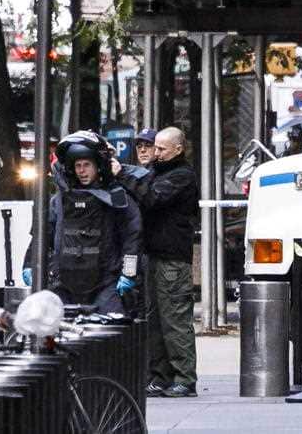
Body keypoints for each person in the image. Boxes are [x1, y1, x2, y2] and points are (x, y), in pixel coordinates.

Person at [111, 126, 199, 398]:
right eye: (154, 147)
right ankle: (160, 377)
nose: (154, 152)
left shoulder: (182, 176)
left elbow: (152, 196)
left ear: (178, 149)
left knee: (174, 321)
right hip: (154, 256)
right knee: (155, 322)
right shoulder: (159, 172)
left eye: (161, 148)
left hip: (172, 260)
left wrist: (121, 173)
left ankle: (185, 378)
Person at [45, 130, 143, 315]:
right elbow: (42, 236)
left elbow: (133, 237)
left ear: (98, 166)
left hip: (105, 284)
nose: (81, 170)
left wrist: (129, 273)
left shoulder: (116, 198)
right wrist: (29, 265)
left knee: (111, 336)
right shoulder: (59, 201)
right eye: (78, 165)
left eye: (86, 165)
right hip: (65, 284)